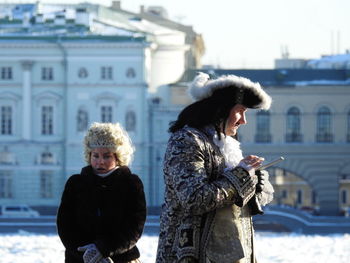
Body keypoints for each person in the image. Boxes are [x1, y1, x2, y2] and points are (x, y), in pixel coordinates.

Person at [156, 72, 275, 263]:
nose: (244, 120)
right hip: (191, 255)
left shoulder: (226, 145)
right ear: (222, 109)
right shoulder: (186, 141)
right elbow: (194, 198)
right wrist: (241, 176)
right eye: (240, 111)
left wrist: (256, 182)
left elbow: (236, 201)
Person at [57, 122, 146, 263]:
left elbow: (134, 227)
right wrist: (88, 254)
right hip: (80, 259)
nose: (100, 162)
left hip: (121, 259)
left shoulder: (131, 184)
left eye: (106, 156)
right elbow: (65, 226)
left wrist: (104, 249)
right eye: (95, 156)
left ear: (117, 156)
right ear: (89, 155)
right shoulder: (75, 183)